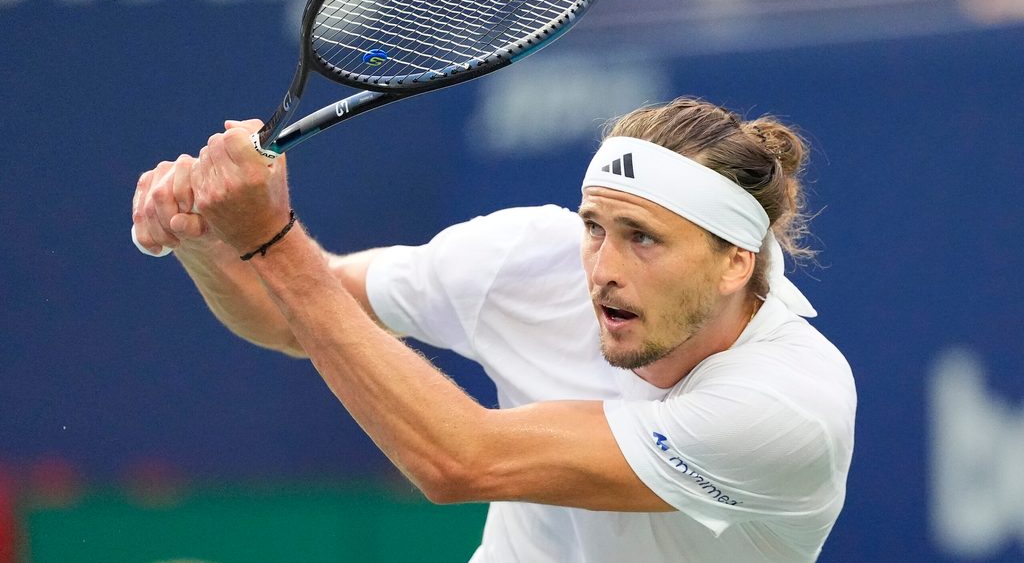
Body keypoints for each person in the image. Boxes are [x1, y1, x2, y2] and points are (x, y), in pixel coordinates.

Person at [131, 97, 856, 562]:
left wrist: (269, 241)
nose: (603, 269)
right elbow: (297, 314)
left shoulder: (788, 405)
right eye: (595, 227)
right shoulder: (528, 256)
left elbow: (462, 461)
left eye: (643, 238)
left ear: (735, 264)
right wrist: (205, 237)